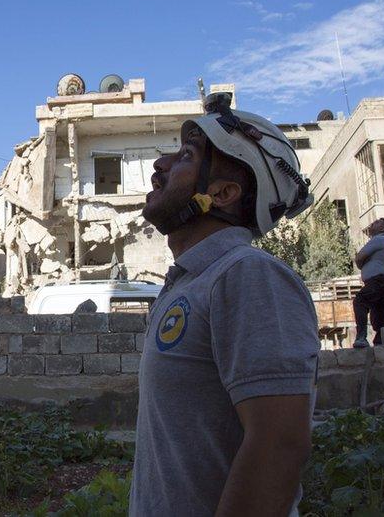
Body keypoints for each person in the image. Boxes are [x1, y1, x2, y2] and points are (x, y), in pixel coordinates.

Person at [130, 93, 319, 517]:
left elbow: (280, 443)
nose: (159, 166)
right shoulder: (193, 281)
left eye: (184, 157)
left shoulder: (248, 275)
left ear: (222, 192)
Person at [352, 218, 384, 348]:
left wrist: (362, 264)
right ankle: (380, 342)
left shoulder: (379, 239)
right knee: (379, 311)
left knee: (360, 301)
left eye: (376, 223)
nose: (372, 224)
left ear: (382, 228)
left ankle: (361, 337)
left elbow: (359, 258)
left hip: (378, 280)